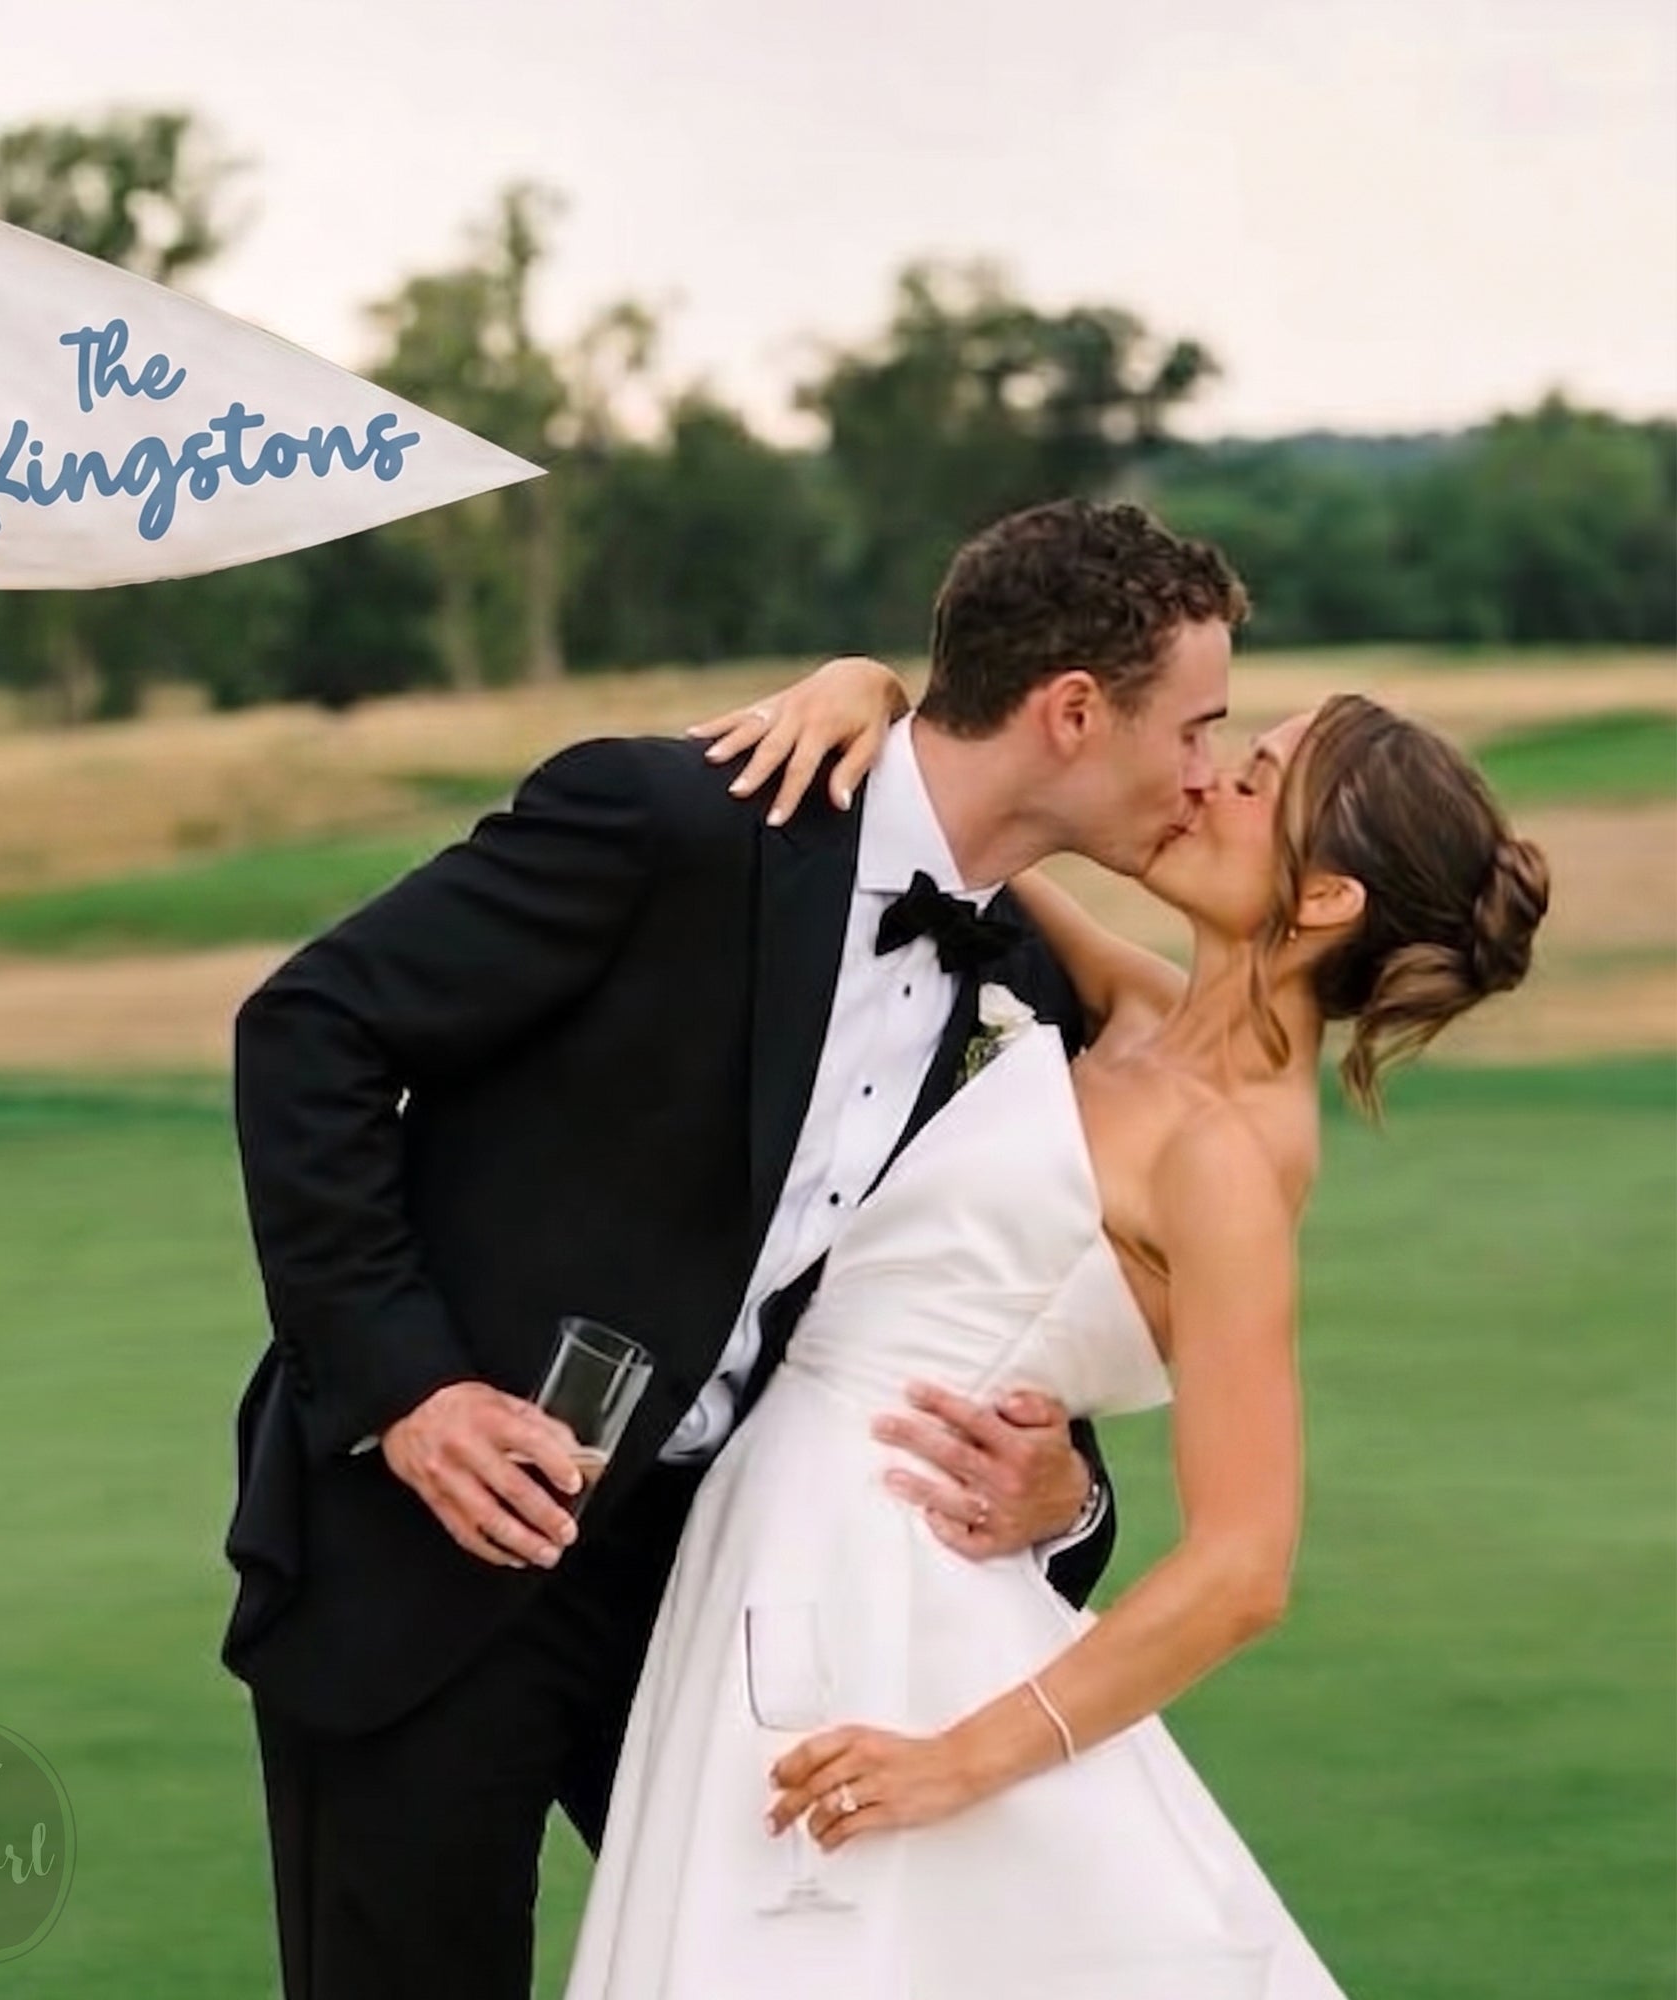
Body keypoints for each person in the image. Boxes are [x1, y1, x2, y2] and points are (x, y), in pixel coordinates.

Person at [223, 498, 1246, 2000]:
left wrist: (1066, 1494)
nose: (1210, 773)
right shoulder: (671, 824)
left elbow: (979, 1301)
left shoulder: (1030, 978)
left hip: (733, 1584)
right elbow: (310, 1031)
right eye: (1201, 727)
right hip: (436, 1554)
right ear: (1076, 712)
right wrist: (410, 1391)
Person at [563, 680, 1549, 1998]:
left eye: (1254, 784)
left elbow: (1246, 1565)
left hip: (891, 1608)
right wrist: (875, 692)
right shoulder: (1141, 1012)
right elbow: (963, 818)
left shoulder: (1230, 1162)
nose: (1205, 784)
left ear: (1324, 905)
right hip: (782, 1542)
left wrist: (956, 1760)